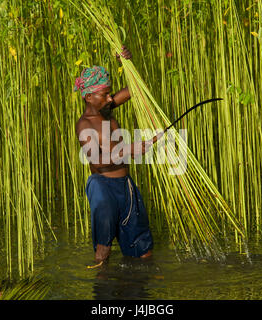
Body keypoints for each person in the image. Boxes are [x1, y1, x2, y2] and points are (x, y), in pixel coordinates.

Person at [74, 45, 162, 266]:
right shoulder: (84, 124)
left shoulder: (107, 109)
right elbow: (96, 161)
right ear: (88, 97)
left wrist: (126, 63)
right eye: (104, 94)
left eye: (109, 93)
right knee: (103, 250)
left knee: (143, 250)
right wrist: (128, 150)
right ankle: (103, 291)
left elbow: (137, 89)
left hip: (126, 187)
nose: (110, 99)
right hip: (102, 187)